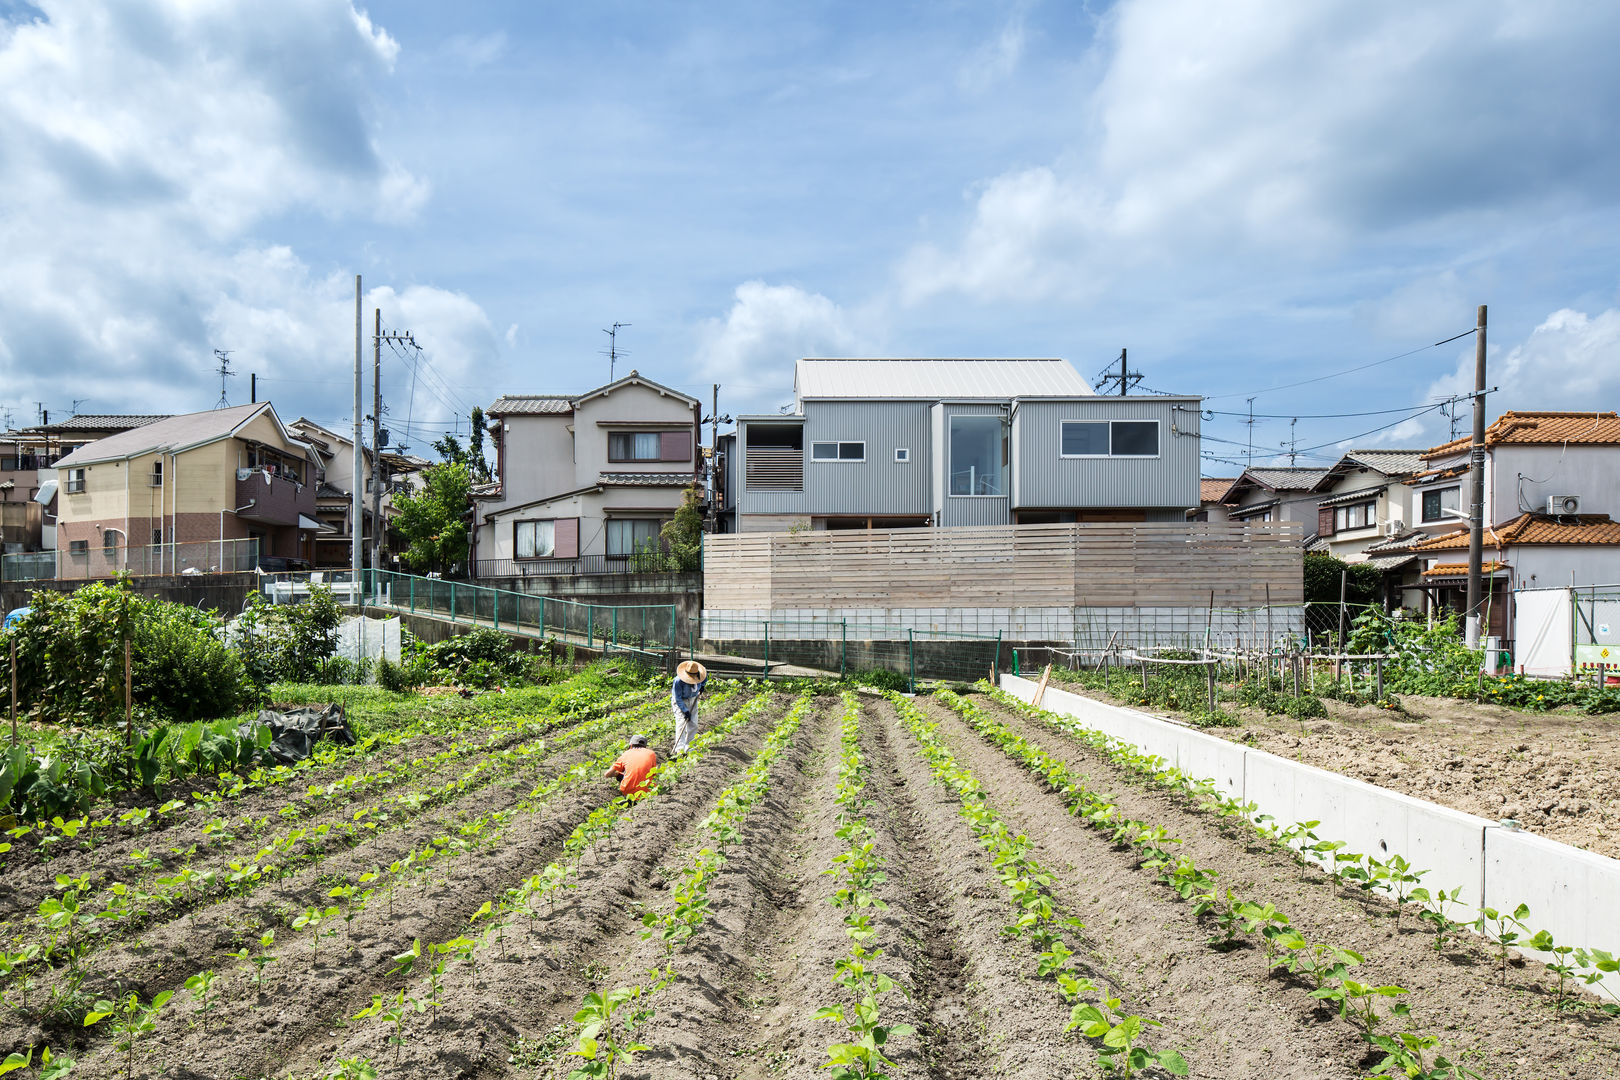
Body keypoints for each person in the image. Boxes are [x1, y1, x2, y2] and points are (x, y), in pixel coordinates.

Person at [671, 660, 708, 757]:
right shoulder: (678, 681)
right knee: (681, 723)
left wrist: (702, 687)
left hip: (693, 699)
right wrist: (685, 710)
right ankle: (679, 749)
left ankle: (689, 746)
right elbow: (677, 698)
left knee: (693, 724)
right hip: (681, 701)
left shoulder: (701, 675)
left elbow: (704, 680)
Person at [605, 734, 658, 801]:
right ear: (645, 746)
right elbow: (653, 774)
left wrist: (616, 774)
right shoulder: (651, 754)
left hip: (629, 793)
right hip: (647, 793)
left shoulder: (626, 754)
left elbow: (607, 774)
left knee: (621, 775)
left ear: (631, 745)